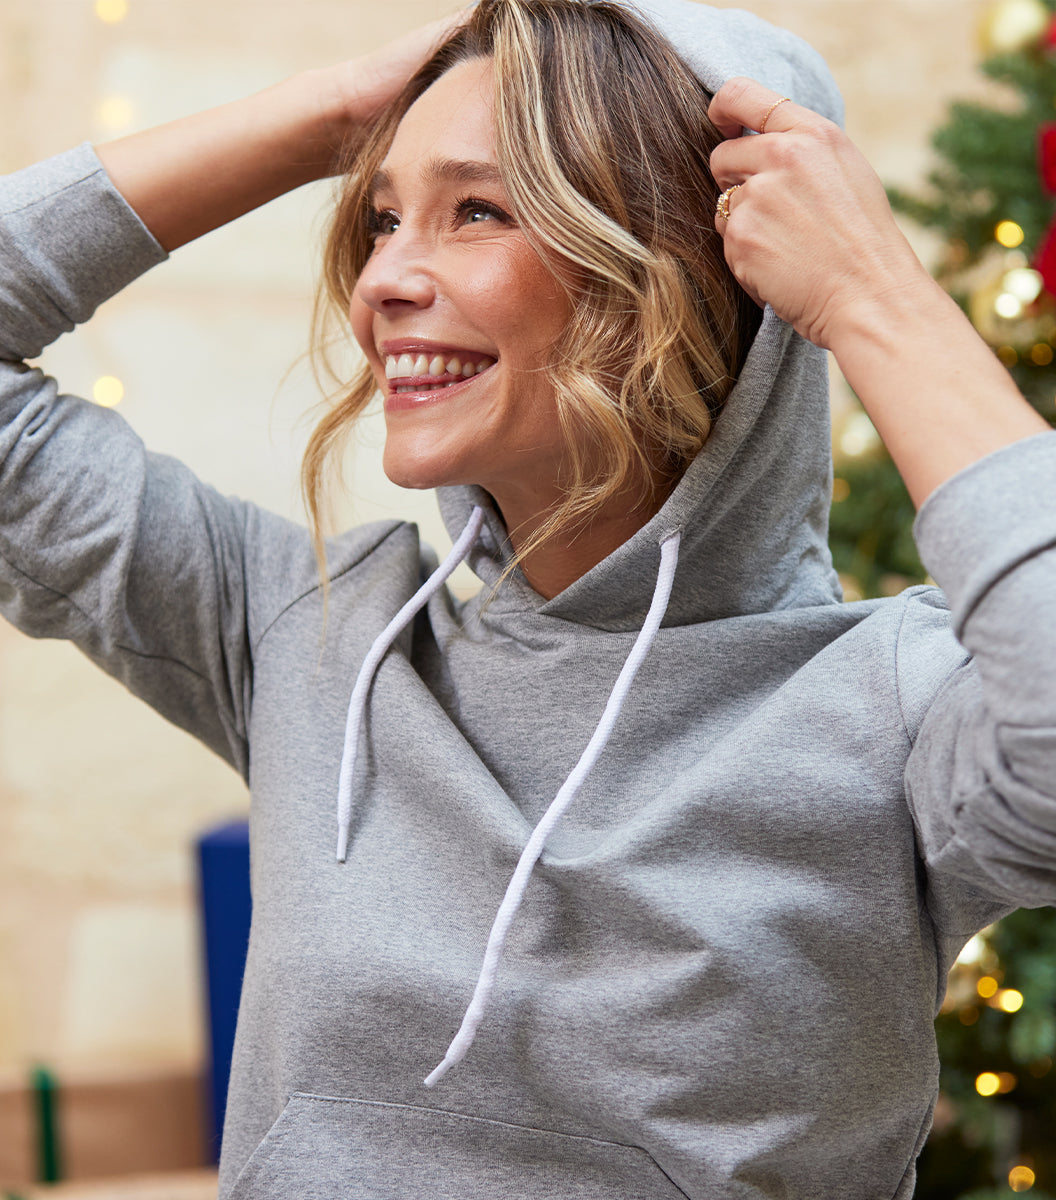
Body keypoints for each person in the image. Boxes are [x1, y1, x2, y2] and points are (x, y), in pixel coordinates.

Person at [2, 0, 1053, 1196]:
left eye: (479, 210)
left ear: (681, 271)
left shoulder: (898, 705)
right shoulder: (312, 629)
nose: (384, 277)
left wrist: (873, 293)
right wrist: (330, 116)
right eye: (385, 215)